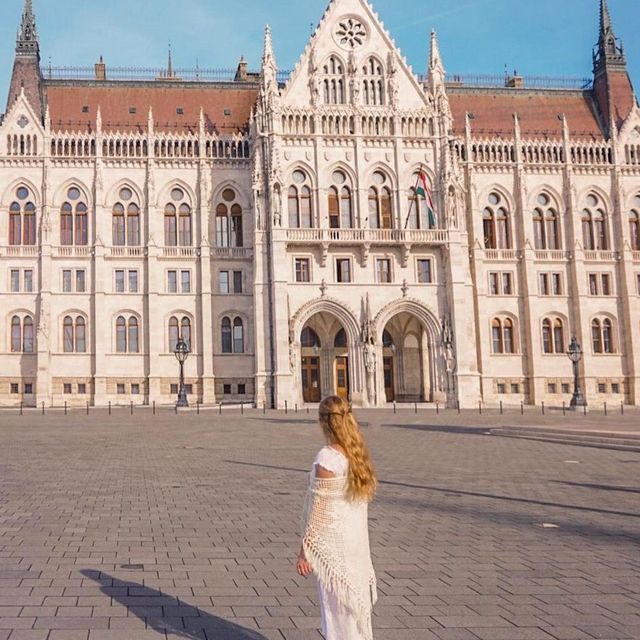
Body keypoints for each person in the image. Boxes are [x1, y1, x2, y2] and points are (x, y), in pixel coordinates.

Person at [297, 395, 378, 640]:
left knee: (337, 616)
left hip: (334, 548)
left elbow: (320, 509)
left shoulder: (327, 458)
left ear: (324, 422)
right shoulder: (357, 454)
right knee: (352, 614)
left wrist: (306, 550)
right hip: (356, 547)